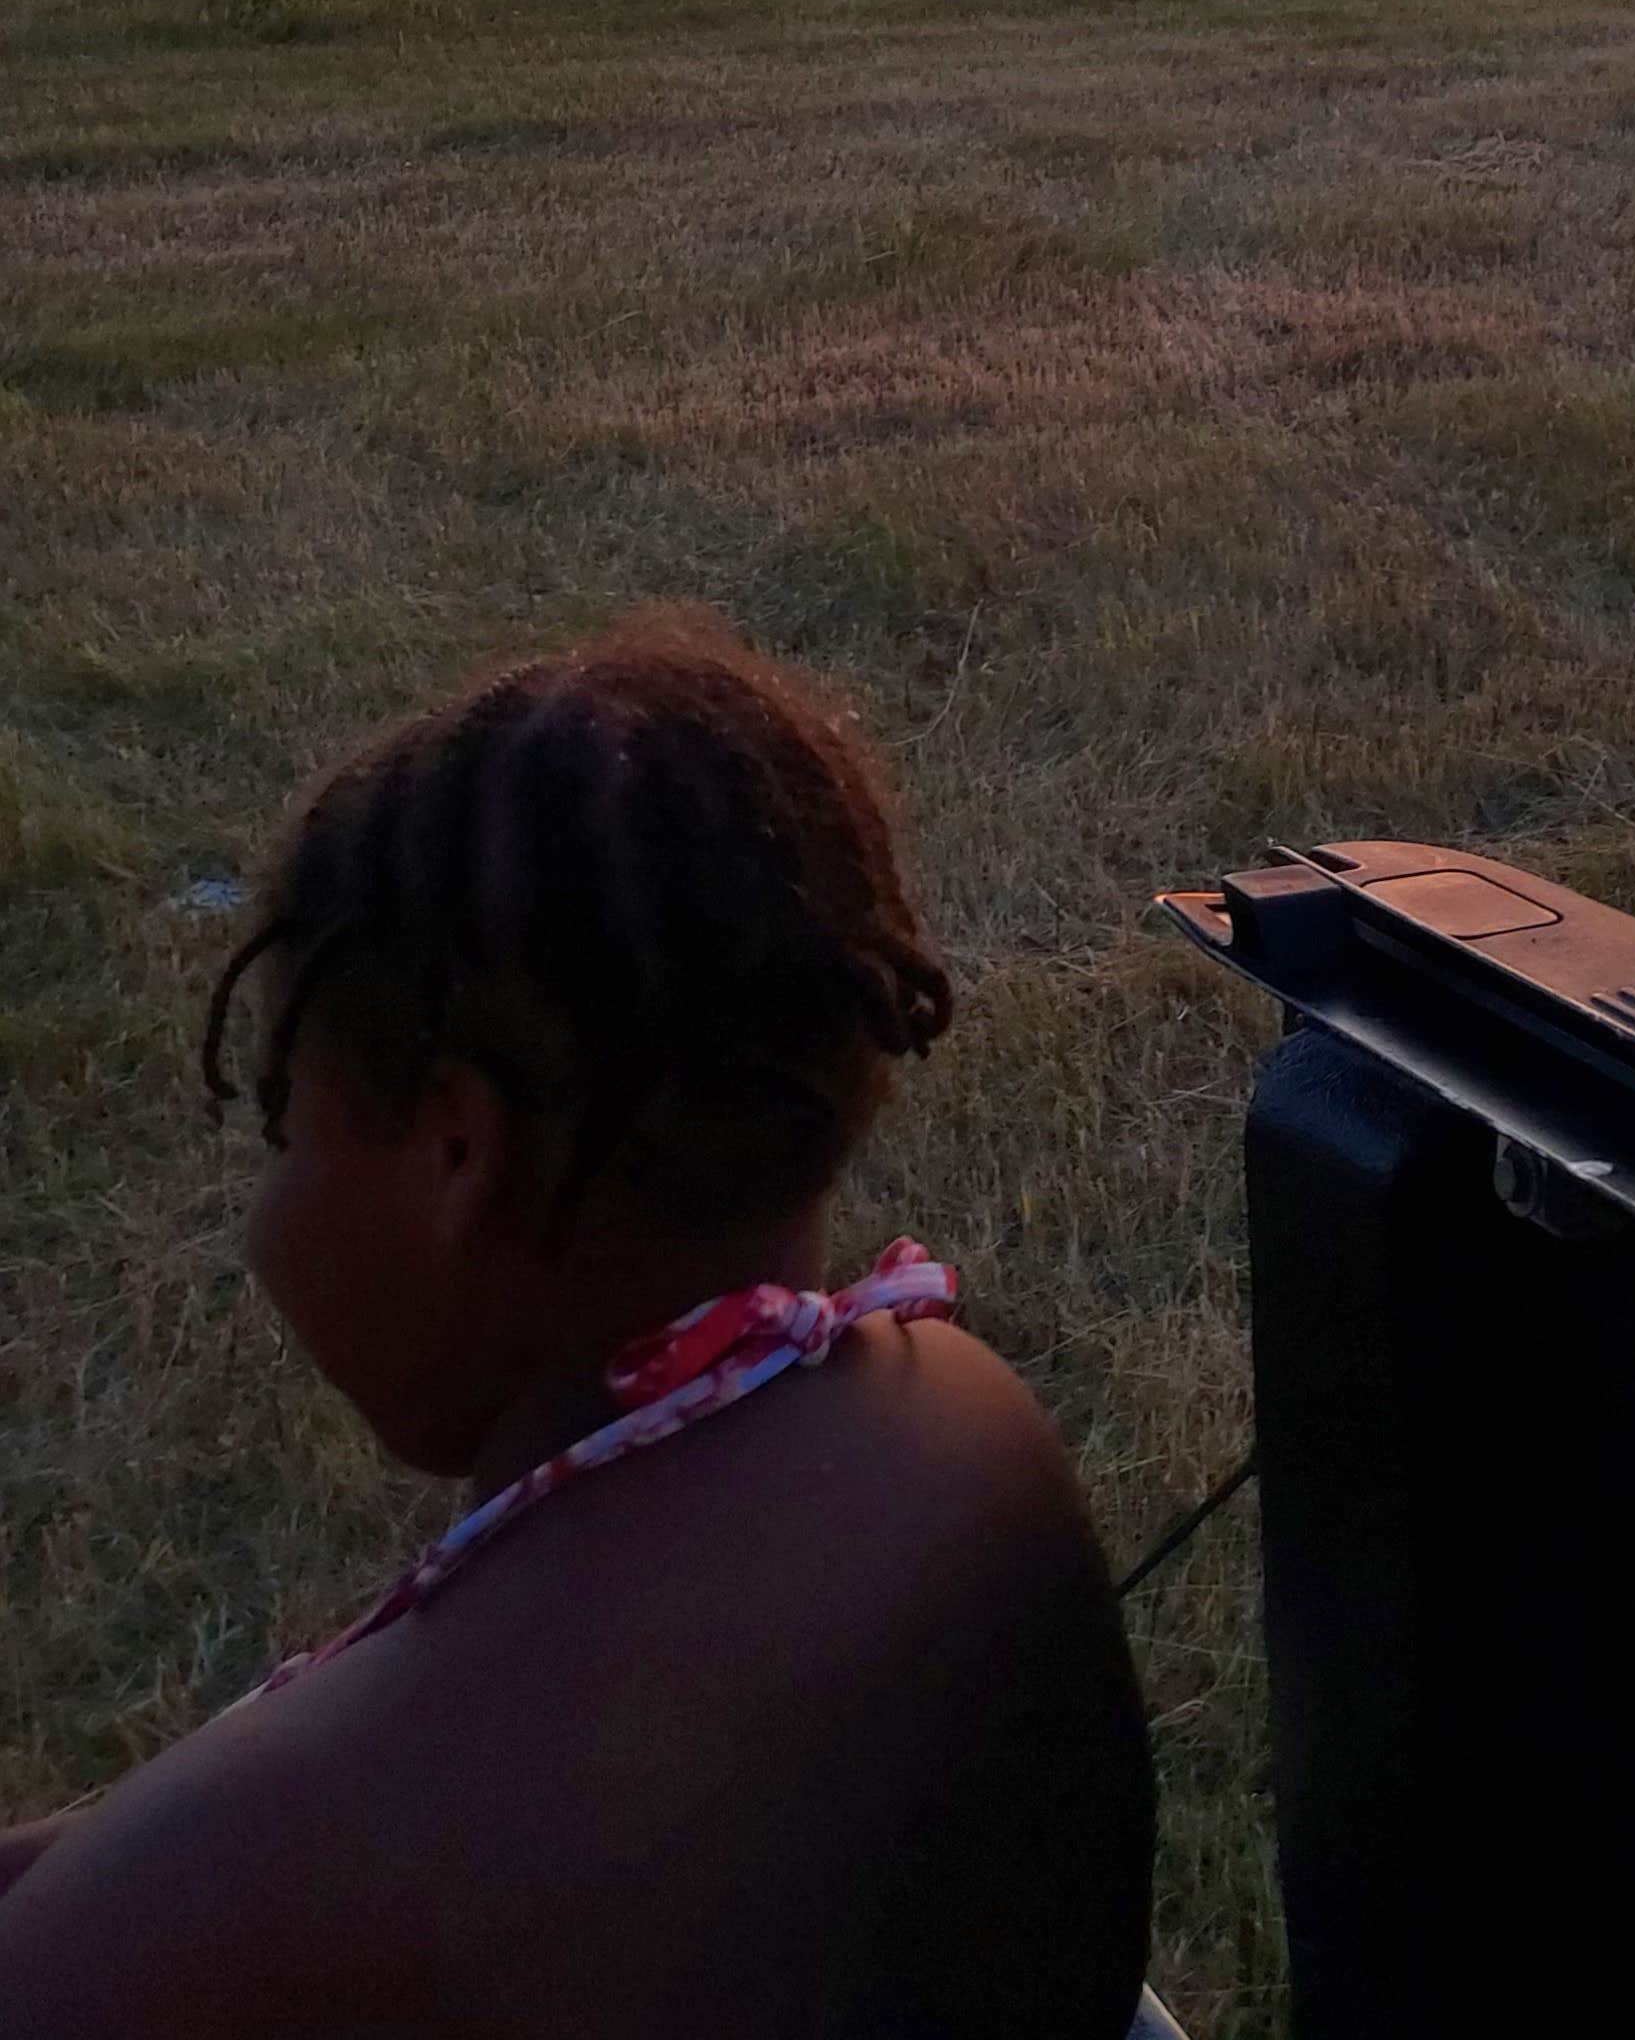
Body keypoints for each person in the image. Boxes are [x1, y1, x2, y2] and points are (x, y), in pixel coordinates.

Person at [0, 616, 1155, 2039]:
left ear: (454, 1155)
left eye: (281, 1123)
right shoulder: (958, 1427)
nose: (265, 1208)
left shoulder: (281, 1877)